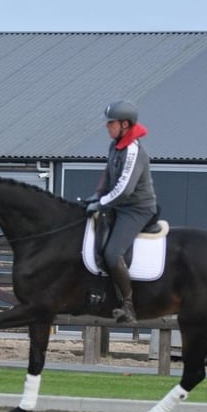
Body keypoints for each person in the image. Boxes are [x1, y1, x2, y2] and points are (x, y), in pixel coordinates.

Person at [85, 100, 158, 323]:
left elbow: (125, 189)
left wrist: (102, 203)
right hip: (118, 205)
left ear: (125, 124)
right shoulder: (115, 146)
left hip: (136, 209)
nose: (108, 127)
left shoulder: (134, 150)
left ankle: (128, 306)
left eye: (111, 123)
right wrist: (97, 195)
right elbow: (108, 176)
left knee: (112, 253)